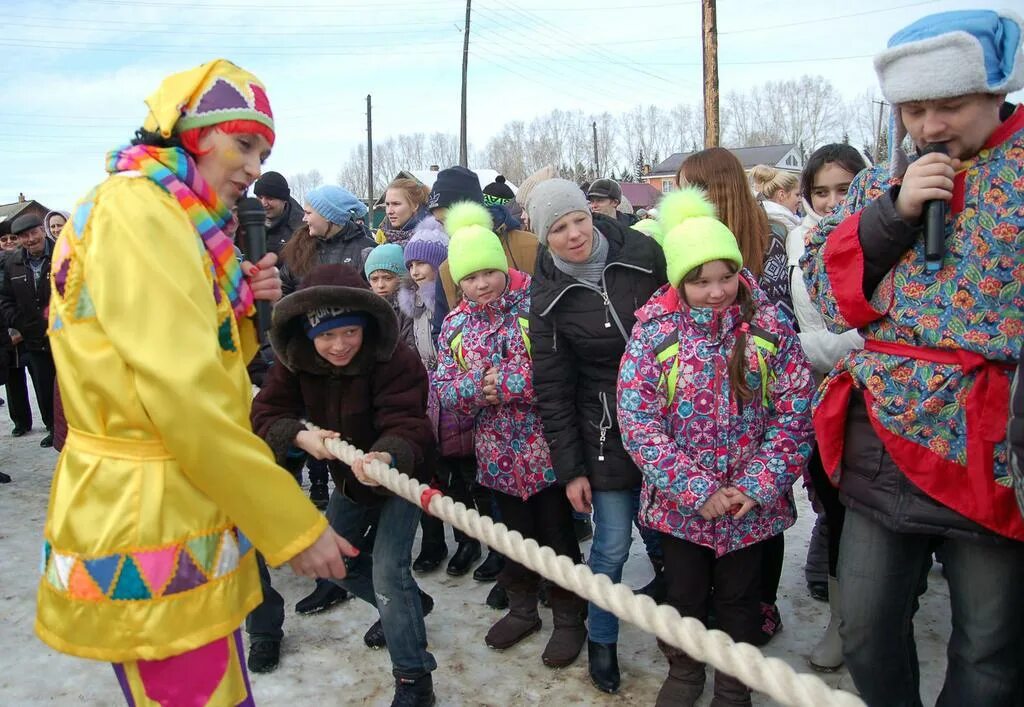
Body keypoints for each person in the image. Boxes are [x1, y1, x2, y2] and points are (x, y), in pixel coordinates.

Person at [35, 58, 356, 706]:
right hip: (148, 517)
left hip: (167, 506)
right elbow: (182, 399)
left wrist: (235, 308)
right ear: (186, 133)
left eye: (262, 150)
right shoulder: (140, 214)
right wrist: (293, 523)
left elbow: (188, 367)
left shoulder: (157, 211)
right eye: (242, 143)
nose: (252, 165)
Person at [801, 10, 1024, 705]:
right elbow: (822, 289)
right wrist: (892, 215)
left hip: (993, 442)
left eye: (949, 105)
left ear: (996, 91)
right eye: (913, 109)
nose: (929, 126)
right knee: (865, 625)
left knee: (989, 645)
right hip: (886, 437)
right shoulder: (880, 184)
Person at [618, 186, 814, 707]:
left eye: (726, 276)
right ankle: (684, 671)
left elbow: (795, 411)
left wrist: (757, 484)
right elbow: (639, 422)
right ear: (678, 280)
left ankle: (733, 682)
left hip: (751, 507)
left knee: (740, 599)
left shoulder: (769, 328)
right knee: (682, 595)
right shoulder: (655, 336)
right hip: (682, 508)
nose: (716, 290)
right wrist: (696, 488)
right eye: (700, 281)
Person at [250, 263, 437, 704]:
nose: (339, 345)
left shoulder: (396, 360)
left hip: (399, 475)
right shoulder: (295, 363)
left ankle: (414, 679)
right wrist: (299, 435)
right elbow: (265, 414)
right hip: (349, 481)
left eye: (349, 332)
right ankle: (407, 607)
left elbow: (409, 422)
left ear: (366, 326)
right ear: (309, 335)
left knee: (389, 572)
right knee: (333, 562)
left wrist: (386, 455)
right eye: (327, 335)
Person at [528, 178, 668, 694]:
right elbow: (553, 389)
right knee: (610, 544)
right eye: (558, 229)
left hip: (669, 417)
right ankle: (602, 641)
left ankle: (683, 643)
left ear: (592, 213)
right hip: (603, 428)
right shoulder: (546, 297)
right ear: (543, 237)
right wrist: (571, 469)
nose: (573, 234)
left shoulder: (642, 253)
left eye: (578, 220)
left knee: (672, 540)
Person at [433, 201, 587, 669]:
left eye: (488, 272)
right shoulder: (455, 325)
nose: (481, 284)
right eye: (470, 277)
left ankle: (569, 617)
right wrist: (479, 388)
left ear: (503, 267)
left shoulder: (532, 307)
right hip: (496, 455)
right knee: (511, 536)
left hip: (546, 448)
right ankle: (523, 608)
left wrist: (509, 384)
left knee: (557, 535)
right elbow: (443, 385)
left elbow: (556, 369)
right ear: (458, 282)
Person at [677, 146, 794, 642]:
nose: (717, 288)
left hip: (758, 411)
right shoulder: (681, 251)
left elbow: (780, 325)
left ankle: (756, 609)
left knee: (755, 540)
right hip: (694, 427)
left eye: (689, 187)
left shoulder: (771, 244)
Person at [787, 143, 869, 671]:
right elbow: (813, 334)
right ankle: (842, 626)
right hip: (826, 400)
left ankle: (879, 624)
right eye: (822, 191)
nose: (834, 201)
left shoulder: (890, 233)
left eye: (844, 188)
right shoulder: (801, 242)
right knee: (837, 510)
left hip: (887, 400)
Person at [0, 213, 57, 447]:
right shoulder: (12, 262)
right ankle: (53, 428)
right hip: (33, 338)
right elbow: (4, 297)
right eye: (24, 236)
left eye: (33, 233)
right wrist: (19, 322)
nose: (30, 239)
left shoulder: (63, 253)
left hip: (65, 337)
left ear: (42, 231)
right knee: (44, 387)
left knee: (70, 386)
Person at [280, 184, 375, 295]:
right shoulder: (300, 246)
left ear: (328, 216)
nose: (303, 218)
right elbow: (282, 289)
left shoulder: (367, 250)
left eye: (308, 213)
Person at [0, 219, 32, 439]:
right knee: (12, 379)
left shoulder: (26, 260)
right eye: (4, 239)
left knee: (39, 377)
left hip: (29, 327)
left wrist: (23, 327)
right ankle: (19, 421)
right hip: (4, 329)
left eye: (13, 238)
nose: (9, 242)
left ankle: (51, 422)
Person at [253, 170, 304, 255]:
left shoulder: (301, 229)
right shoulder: (246, 221)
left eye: (270, 198)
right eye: (260, 197)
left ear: (284, 200)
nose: (263, 203)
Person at [376, 178, 430, 247]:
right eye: (387, 204)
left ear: (415, 206)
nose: (389, 211)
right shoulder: (386, 235)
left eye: (396, 204)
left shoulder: (430, 242)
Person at [750, 165, 801, 234]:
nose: (800, 200)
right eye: (797, 195)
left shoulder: (776, 217)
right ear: (782, 195)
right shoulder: (781, 222)